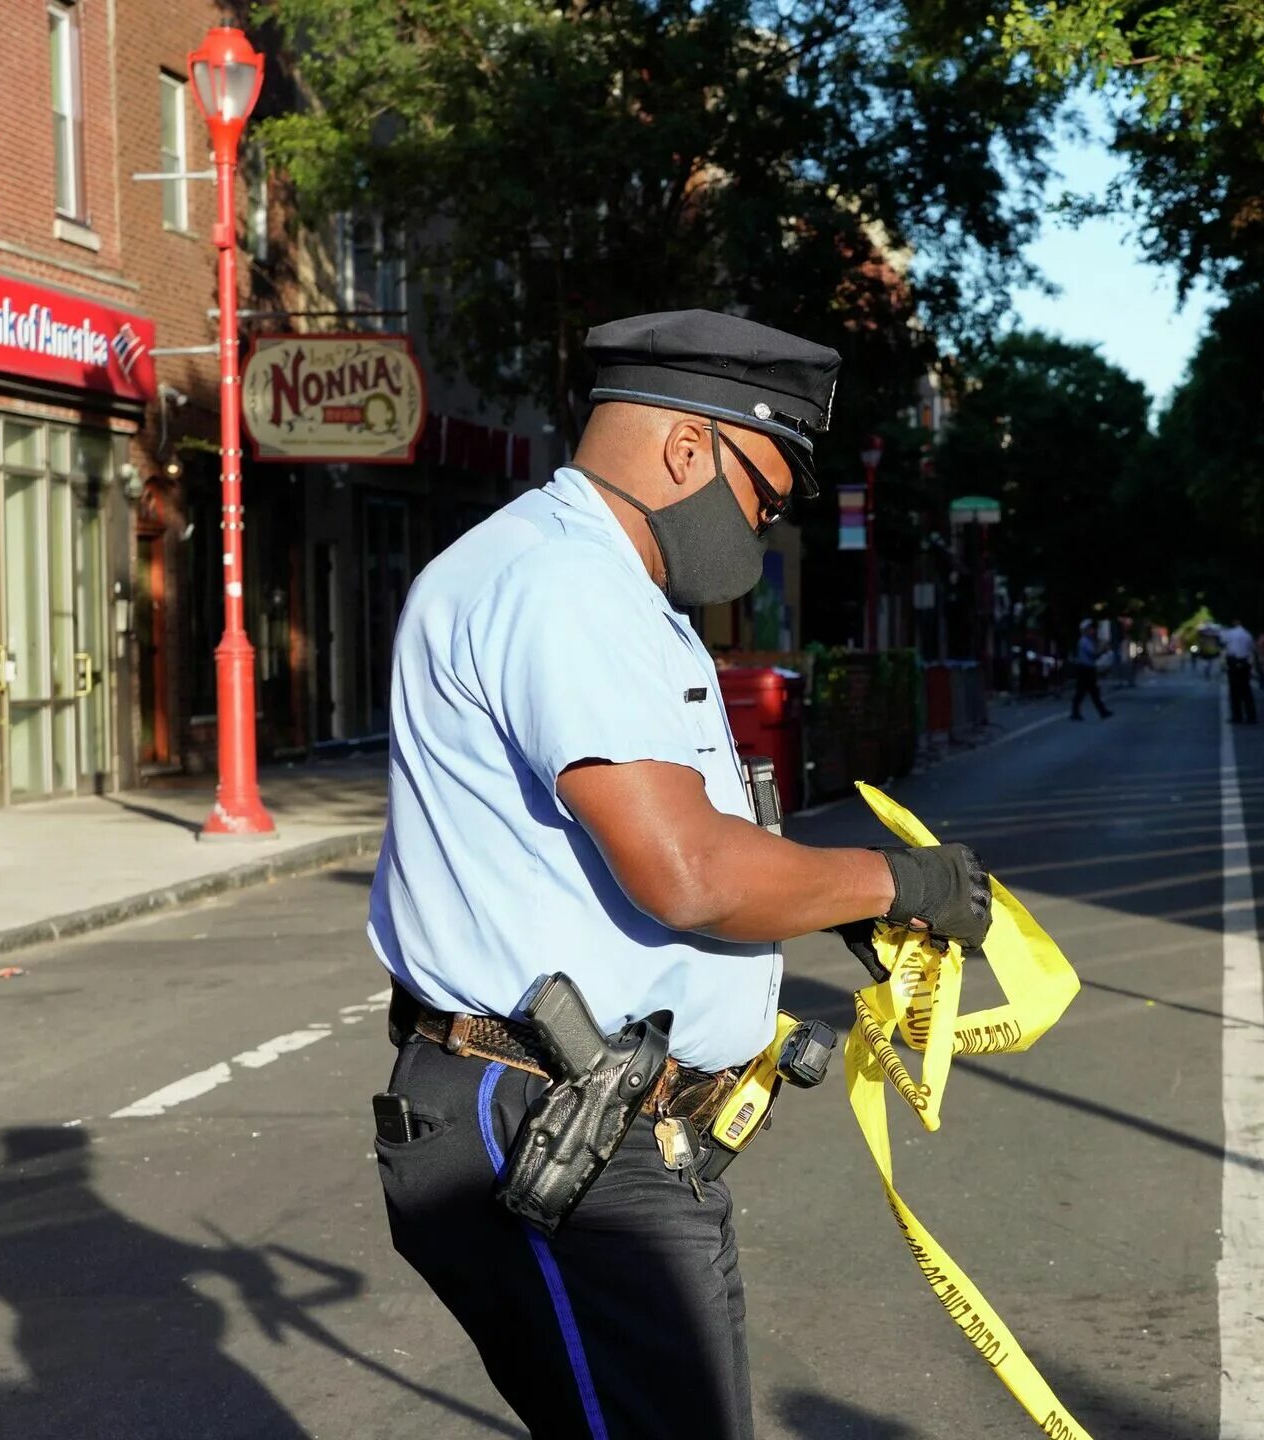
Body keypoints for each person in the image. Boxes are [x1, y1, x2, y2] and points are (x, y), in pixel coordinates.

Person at [365, 309, 994, 1440]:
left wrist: (818, 896)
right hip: (554, 1128)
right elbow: (686, 870)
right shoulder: (568, 588)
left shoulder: (586, 578)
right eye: (768, 488)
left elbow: (700, 853)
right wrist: (895, 884)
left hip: (595, 1124)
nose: (765, 519)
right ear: (690, 449)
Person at [1069, 624, 1113, 720]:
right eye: (1089, 629)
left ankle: (1101, 711)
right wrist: (1103, 650)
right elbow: (1093, 653)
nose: (1091, 631)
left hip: (1088, 669)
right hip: (1085, 669)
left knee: (1090, 692)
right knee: (1085, 692)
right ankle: (1076, 712)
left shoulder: (1088, 641)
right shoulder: (1084, 641)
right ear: (1084, 630)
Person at [1221, 619, 1258, 724]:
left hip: (1233, 662)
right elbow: (1251, 648)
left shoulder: (1230, 634)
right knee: (1246, 690)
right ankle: (1251, 716)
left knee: (1234, 691)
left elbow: (1224, 644)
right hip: (1244, 663)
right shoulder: (1247, 634)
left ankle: (1237, 715)